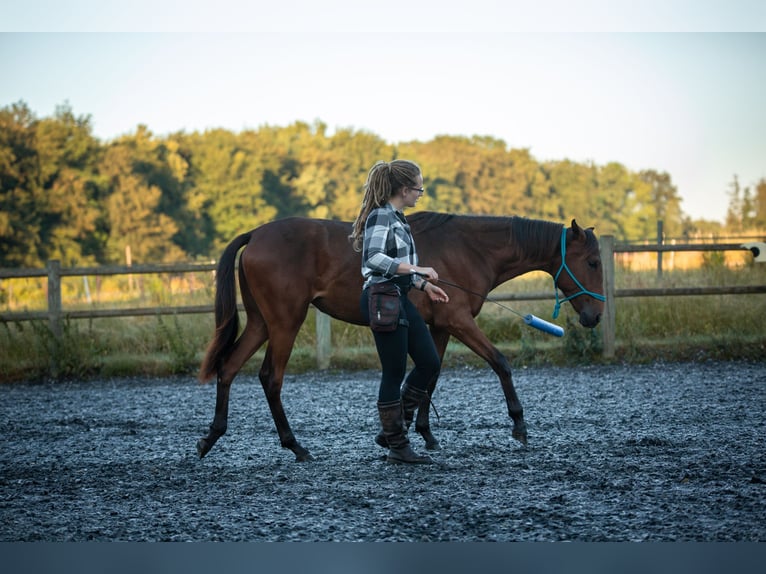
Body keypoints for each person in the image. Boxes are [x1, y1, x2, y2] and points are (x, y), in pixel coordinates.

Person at [349, 159, 450, 464]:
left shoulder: (398, 218)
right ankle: (398, 446)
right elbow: (374, 259)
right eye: (419, 188)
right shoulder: (381, 216)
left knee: (429, 361)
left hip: (399, 295)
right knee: (393, 372)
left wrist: (421, 285)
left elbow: (395, 265)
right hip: (381, 299)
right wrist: (417, 268)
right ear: (405, 189)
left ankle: (393, 431)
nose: (421, 193)